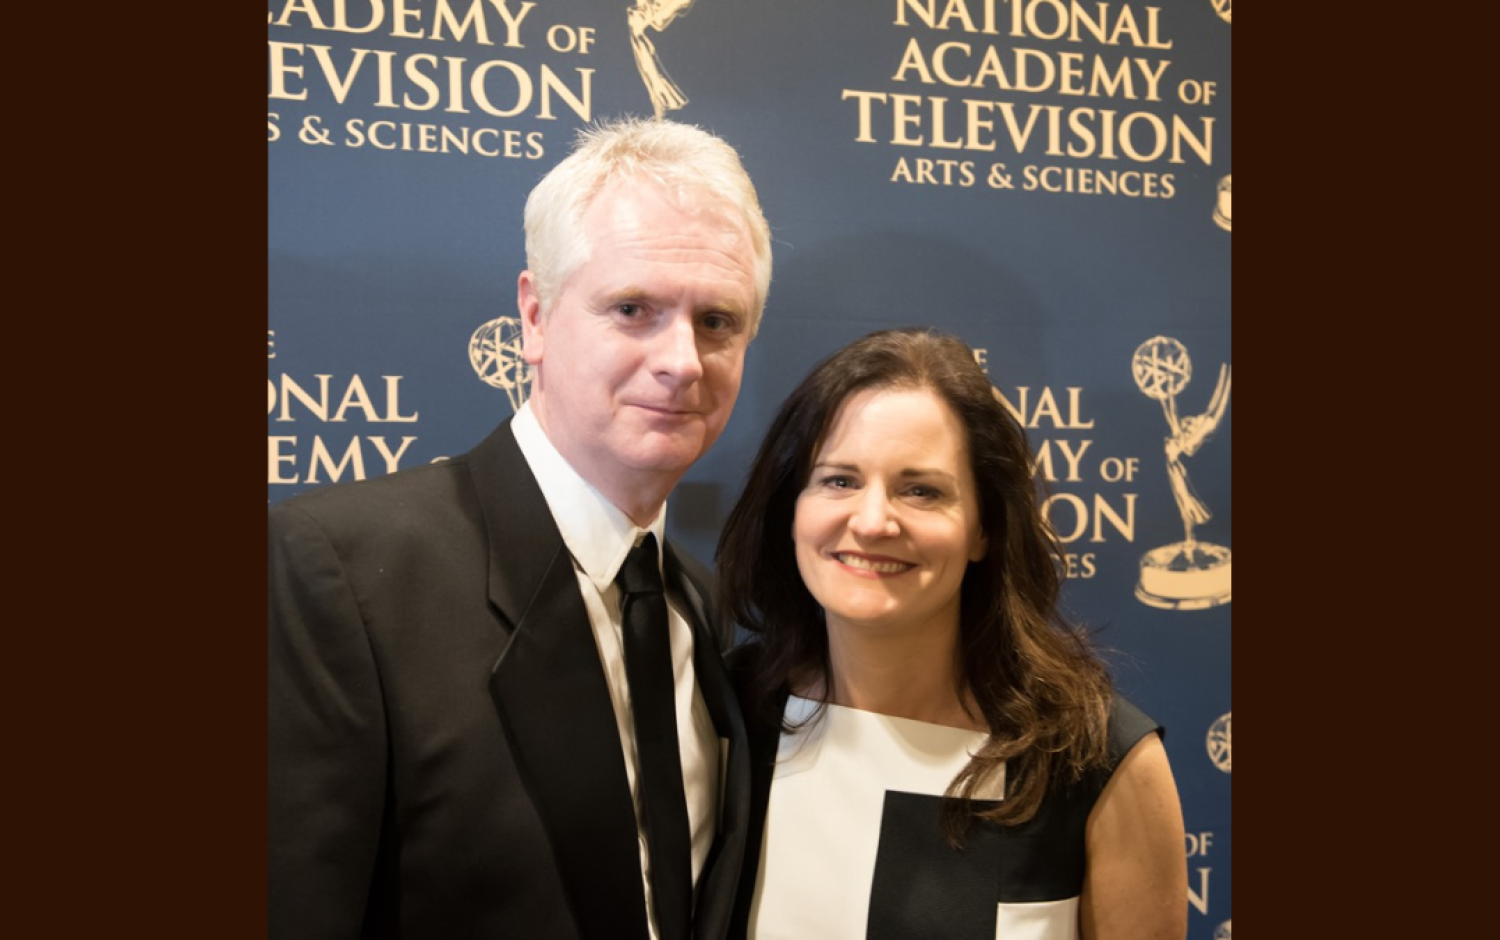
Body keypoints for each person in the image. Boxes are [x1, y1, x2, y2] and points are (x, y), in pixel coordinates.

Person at [269, 116, 773, 940]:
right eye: (633, 308)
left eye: (717, 321)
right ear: (534, 318)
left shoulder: (703, 608)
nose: (682, 359)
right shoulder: (342, 577)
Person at [716, 328, 1187, 939]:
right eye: (839, 480)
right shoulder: (724, 713)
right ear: (792, 509)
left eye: (922, 491)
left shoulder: (1095, 762)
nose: (873, 520)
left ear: (983, 530)